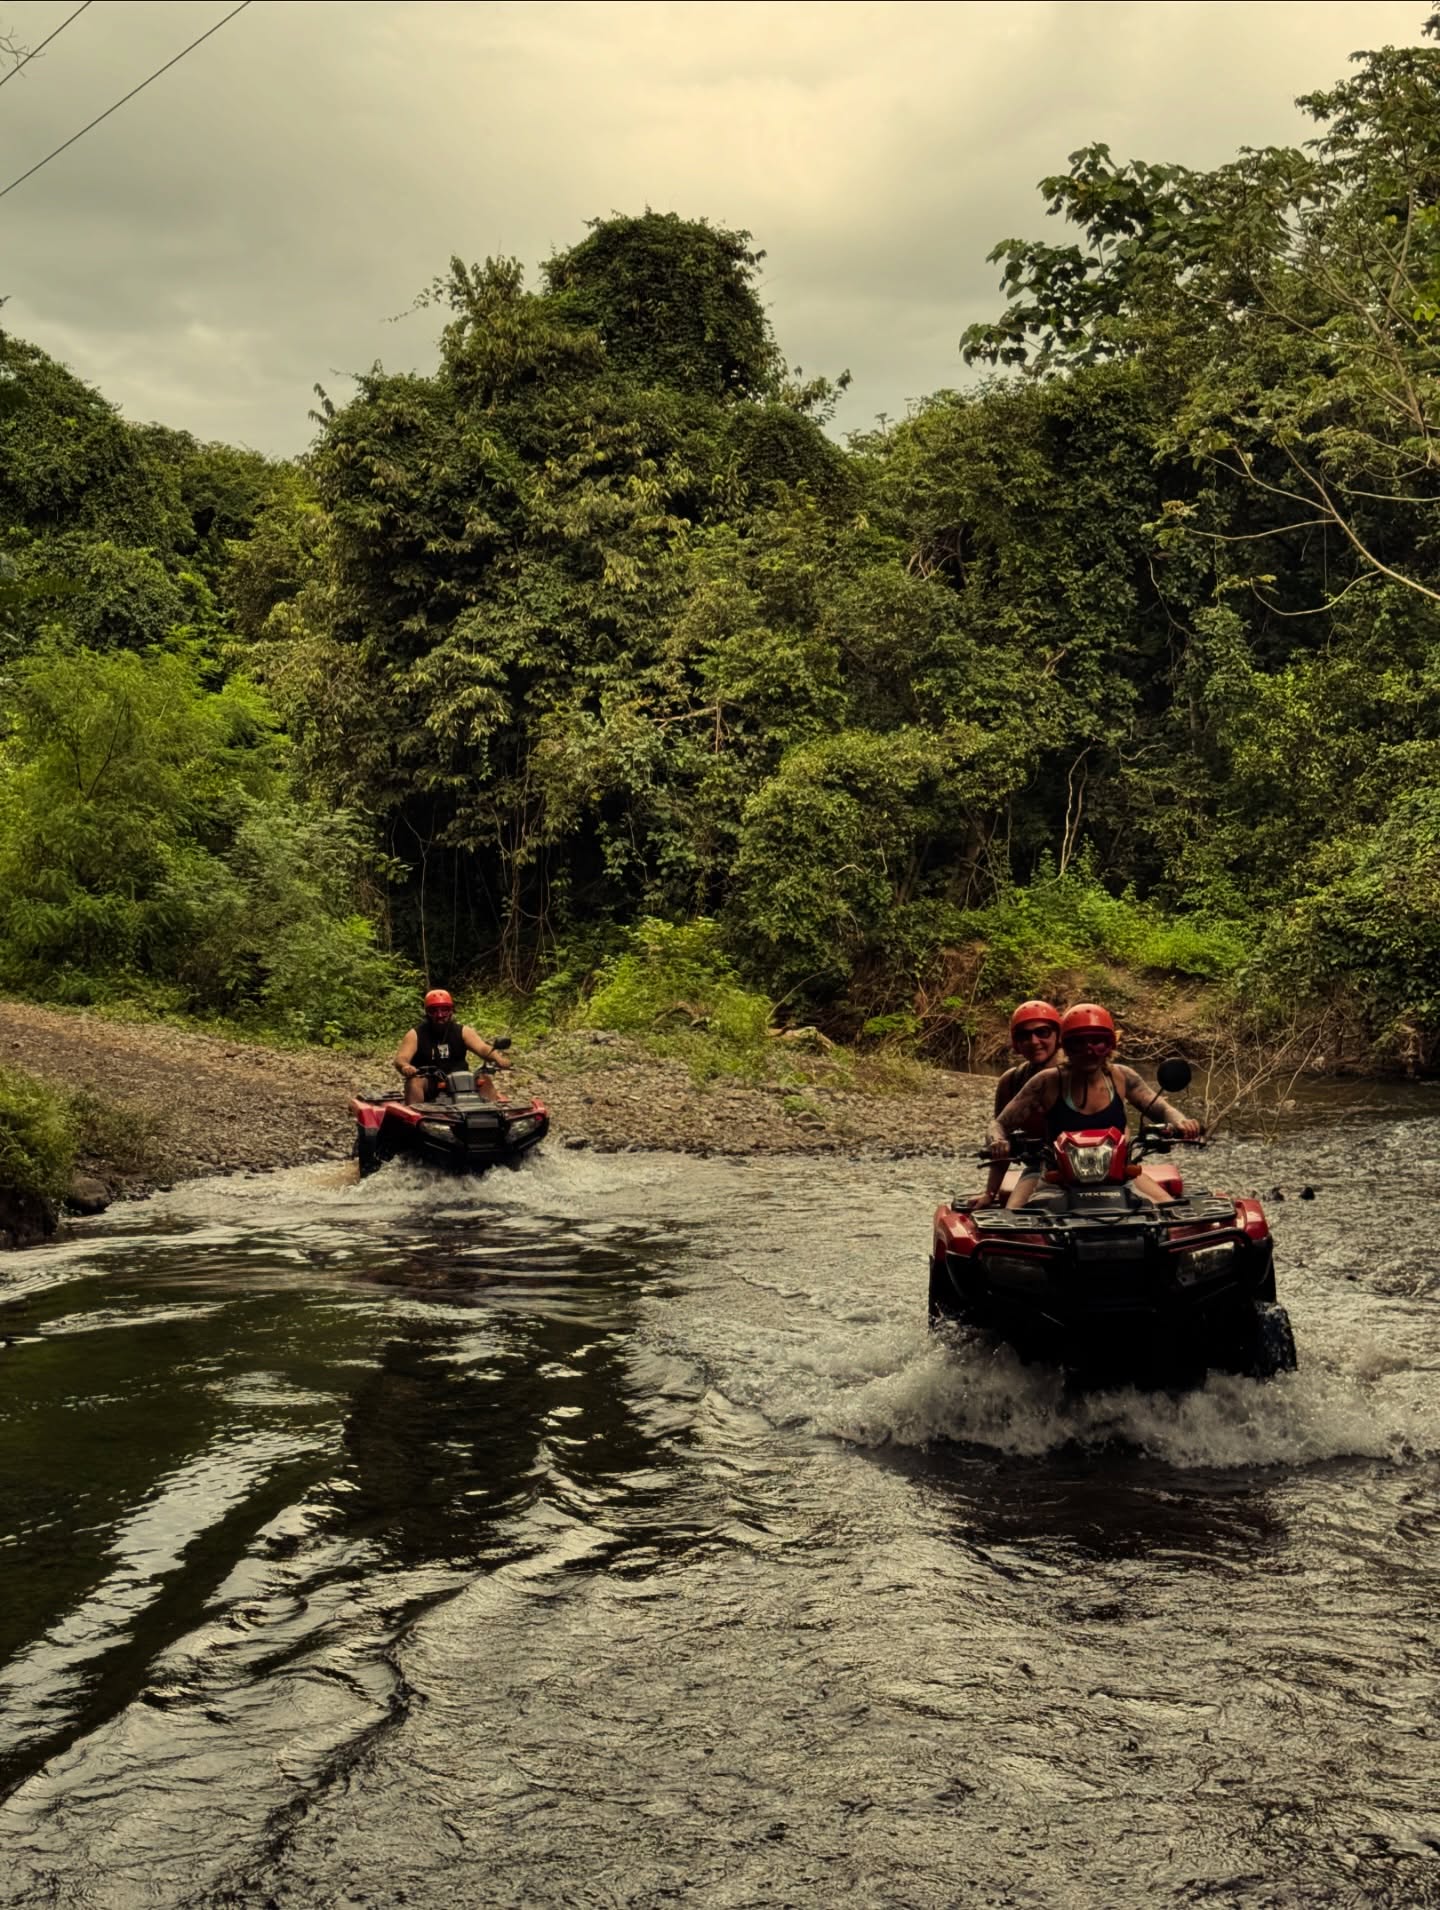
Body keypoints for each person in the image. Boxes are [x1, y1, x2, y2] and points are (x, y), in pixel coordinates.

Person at [986, 1002, 1201, 1208]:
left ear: (1110, 1045)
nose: (1088, 1051)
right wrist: (998, 1141)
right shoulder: (1046, 1081)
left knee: (1170, 1216)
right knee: (1011, 1222)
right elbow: (1000, 1124)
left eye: (1097, 1042)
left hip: (1120, 1176)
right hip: (1056, 1181)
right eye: (1078, 1043)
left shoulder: (1122, 1076)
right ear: (1066, 1046)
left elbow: (1161, 1108)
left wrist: (1181, 1122)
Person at [972, 999, 1061, 1208]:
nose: (1034, 1041)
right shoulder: (1012, 1081)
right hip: (1042, 1168)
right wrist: (990, 1192)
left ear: (1058, 1035)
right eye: (1024, 1036)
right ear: (1016, 1042)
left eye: (1042, 1032)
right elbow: (1001, 1131)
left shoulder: (1082, 1071)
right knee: (1013, 1213)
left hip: (1098, 1166)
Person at [394, 990, 513, 1105]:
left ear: (451, 1011)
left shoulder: (463, 1031)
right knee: (414, 1083)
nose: (440, 1015)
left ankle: (492, 1112)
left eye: (444, 1010)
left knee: (484, 1079)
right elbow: (401, 1058)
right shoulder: (415, 1034)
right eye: (434, 1011)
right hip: (429, 1081)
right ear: (427, 1013)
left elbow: (482, 1048)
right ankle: (415, 1114)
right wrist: (405, 1066)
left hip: (461, 1080)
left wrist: (498, 1059)